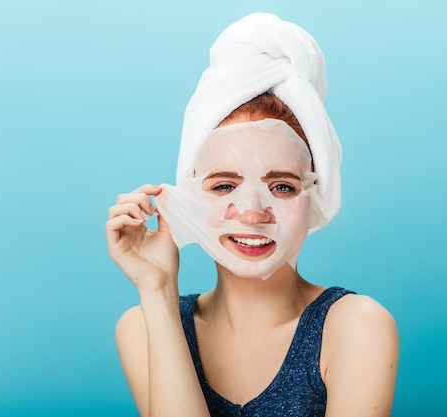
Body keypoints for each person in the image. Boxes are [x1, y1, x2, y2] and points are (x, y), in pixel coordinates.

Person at [106, 13, 399, 417]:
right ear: (187, 195)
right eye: (224, 185)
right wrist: (158, 292)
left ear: (313, 196)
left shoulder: (357, 327)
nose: (252, 213)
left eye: (281, 187)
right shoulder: (141, 326)